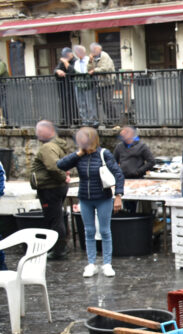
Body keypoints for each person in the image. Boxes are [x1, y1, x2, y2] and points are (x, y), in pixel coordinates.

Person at [57, 127, 124, 278]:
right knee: (89, 231)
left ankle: (107, 264)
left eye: (83, 138)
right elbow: (61, 165)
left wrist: (118, 195)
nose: (79, 140)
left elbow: (118, 174)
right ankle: (91, 263)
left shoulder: (103, 154)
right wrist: (78, 153)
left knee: (105, 231)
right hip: (85, 198)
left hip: (103, 198)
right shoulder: (79, 156)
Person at [31, 120, 70, 260]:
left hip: (50, 189)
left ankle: (59, 250)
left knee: (54, 220)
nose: (36, 133)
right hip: (54, 187)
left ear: (49, 131)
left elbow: (54, 167)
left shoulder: (47, 147)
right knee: (57, 218)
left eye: (38, 130)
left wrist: (62, 178)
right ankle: (59, 248)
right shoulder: (55, 145)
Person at [88, 43, 116, 123]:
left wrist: (94, 70)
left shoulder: (104, 56)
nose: (92, 51)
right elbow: (88, 69)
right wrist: (90, 61)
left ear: (99, 49)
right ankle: (109, 119)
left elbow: (105, 69)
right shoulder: (93, 58)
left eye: (94, 49)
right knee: (103, 102)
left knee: (108, 101)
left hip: (108, 82)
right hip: (100, 83)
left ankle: (113, 119)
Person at [72, 45, 97, 127]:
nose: (78, 53)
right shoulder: (76, 62)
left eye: (79, 51)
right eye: (77, 52)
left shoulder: (89, 60)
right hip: (78, 85)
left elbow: (91, 70)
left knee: (90, 102)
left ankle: (93, 120)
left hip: (89, 84)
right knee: (81, 103)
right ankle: (85, 120)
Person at [54, 48, 77, 128]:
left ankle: (74, 121)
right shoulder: (62, 62)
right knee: (63, 103)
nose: (66, 57)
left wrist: (66, 62)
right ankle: (64, 121)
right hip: (63, 86)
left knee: (73, 104)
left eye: (67, 55)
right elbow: (56, 69)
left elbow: (73, 71)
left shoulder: (75, 61)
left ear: (71, 54)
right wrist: (58, 71)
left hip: (73, 86)